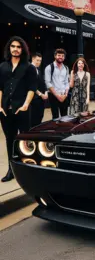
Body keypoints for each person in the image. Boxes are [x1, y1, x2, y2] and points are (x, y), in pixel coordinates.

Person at [0, 36, 37, 182]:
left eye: (18, 47)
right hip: (5, 111)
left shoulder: (29, 67)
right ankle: (11, 170)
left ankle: (27, 169)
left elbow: (32, 88)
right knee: (10, 140)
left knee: (24, 140)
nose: (15, 49)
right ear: (9, 48)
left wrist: (26, 105)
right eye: (13, 46)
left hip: (21, 109)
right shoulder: (2, 67)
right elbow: (0, 88)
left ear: (23, 49)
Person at [44, 49, 69, 119]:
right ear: (55, 56)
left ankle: (64, 130)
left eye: (62, 56)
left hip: (64, 95)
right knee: (55, 117)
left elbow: (67, 82)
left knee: (65, 116)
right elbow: (48, 83)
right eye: (59, 55)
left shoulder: (66, 68)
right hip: (53, 95)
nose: (60, 57)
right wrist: (57, 96)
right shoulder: (49, 68)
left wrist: (66, 94)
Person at [30, 52, 48, 127]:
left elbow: (43, 83)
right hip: (33, 99)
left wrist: (46, 93)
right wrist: (41, 94)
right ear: (33, 59)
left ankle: (35, 136)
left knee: (39, 118)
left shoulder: (39, 70)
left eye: (40, 60)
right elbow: (31, 85)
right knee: (32, 119)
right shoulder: (28, 69)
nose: (39, 62)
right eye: (37, 60)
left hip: (41, 99)